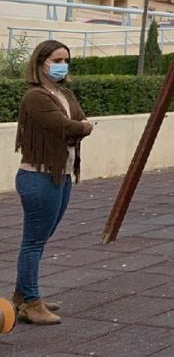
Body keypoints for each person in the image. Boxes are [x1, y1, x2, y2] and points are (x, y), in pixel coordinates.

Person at [13, 40, 94, 325]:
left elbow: (77, 122)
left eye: (66, 60)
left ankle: (23, 297)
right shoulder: (35, 96)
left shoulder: (64, 93)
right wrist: (83, 128)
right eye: (57, 59)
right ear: (41, 62)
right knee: (33, 242)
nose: (62, 65)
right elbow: (67, 126)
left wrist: (80, 127)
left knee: (40, 239)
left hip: (61, 174)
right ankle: (32, 304)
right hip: (38, 177)